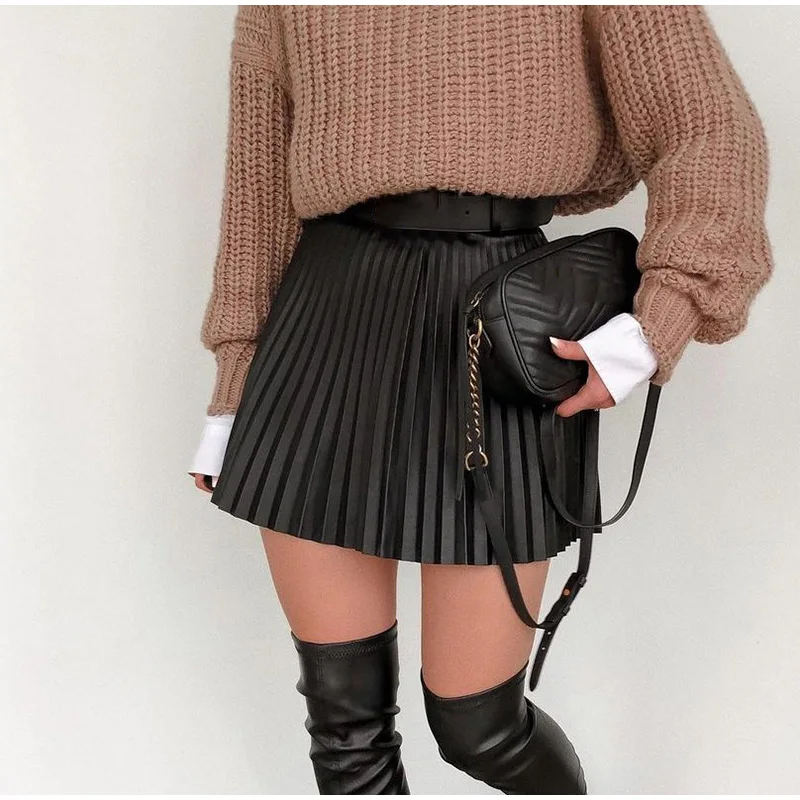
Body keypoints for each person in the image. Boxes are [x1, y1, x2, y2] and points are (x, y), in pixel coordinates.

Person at [188, 6, 771, 795]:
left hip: (494, 331)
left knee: (481, 728)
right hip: (322, 330)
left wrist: (656, 323)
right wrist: (232, 393)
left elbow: (709, 128)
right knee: (346, 736)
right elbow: (257, 195)